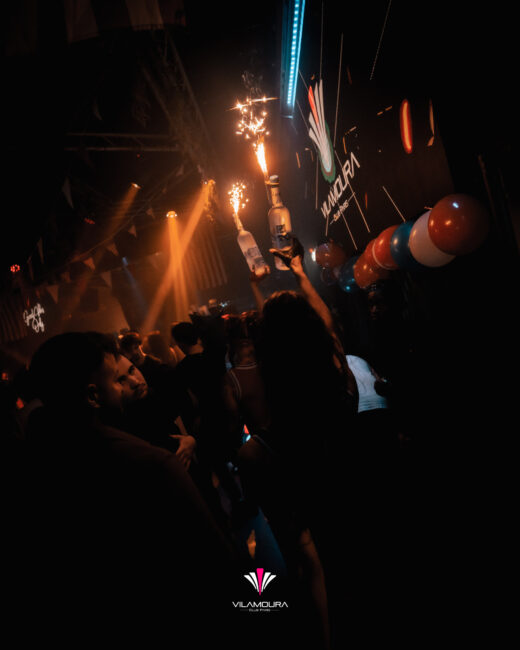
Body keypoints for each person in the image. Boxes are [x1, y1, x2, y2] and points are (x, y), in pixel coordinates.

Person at [13, 331, 242, 646]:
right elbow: (214, 562)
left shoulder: (31, 460)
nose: (127, 386)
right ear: (93, 396)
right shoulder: (150, 464)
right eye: (115, 380)